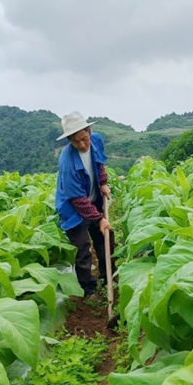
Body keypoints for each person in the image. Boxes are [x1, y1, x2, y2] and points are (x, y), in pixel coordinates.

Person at [55, 111, 115, 298]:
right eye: (76, 142)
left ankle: (110, 277)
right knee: (82, 249)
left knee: (106, 238)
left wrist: (103, 182)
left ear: (89, 131)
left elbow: (99, 163)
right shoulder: (67, 161)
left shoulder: (96, 140)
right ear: (69, 141)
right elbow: (78, 200)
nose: (82, 144)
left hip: (93, 197)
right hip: (73, 207)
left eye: (84, 139)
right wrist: (99, 219)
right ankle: (88, 289)